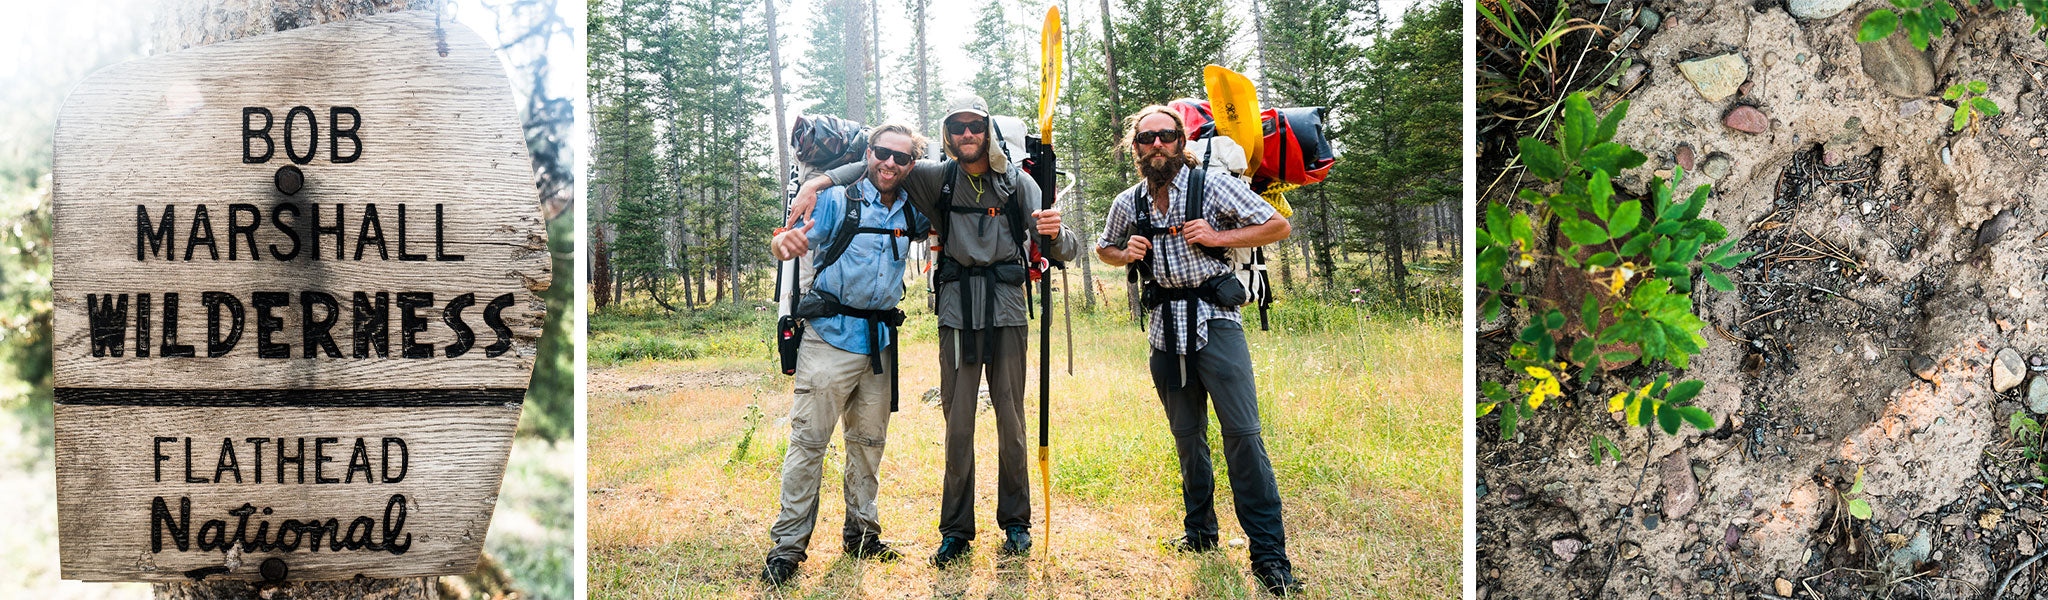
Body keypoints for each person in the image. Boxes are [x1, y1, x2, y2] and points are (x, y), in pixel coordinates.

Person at [789, 96, 1083, 566]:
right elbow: (873, 170)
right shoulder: (934, 177)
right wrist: (820, 181)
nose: (967, 134)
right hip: (956, 314)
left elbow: (1063, 247)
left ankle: (1016, 523)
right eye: (958, 127)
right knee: (958, 424)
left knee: (1011, 419)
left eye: (975, 126)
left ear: (986, 130)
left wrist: (1057, 231)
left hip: (1006, 311)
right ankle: (956, 531)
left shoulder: (1019, 182)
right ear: (947, 135)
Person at [1093, 105, 1301, 595]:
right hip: (1164, 330)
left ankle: (1269, 556)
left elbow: (1276, 225)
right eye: (1146, 139)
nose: (1157, 145)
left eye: (1166, 135)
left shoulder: (1210, 185)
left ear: (1181, 139)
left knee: (1243, 437)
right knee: (1188, 437)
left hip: (1216, 322)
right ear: (1136, 147)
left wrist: (1218, 235)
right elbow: (1103, 248)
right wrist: (1125, 254)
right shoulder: (1130, 201)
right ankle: (1201, 532)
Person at [759, 123, 930, 586]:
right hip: (828, 338)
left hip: (879, 344)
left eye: (900, 158)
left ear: (912, 163)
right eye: (880, 153)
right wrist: (784, 244)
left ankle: (862, 535)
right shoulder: (837, 200)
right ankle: (788, 549)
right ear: (868, 152)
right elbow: (784, 240)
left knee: (868, 445)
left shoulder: (915, 208)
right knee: (808, 445)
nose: (889, 164)